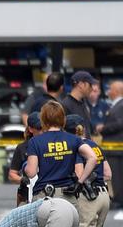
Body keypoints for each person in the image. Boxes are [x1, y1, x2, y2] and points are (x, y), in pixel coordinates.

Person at [65, 114, 111, 227]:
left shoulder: (76, 146)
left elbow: (78, 173)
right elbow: (107, 173)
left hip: (87, 197)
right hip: (103, 196)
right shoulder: (95, 146)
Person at [25, 101, 97, 203]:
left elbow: (31, 173)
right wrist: (80, 182)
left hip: (45, 195)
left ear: (43, 119)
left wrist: (26, 168)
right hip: (68, 194)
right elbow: (93, 158)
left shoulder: (35, 141)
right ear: (63, 119)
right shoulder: (74, 139)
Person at [7, 112, 41, 227]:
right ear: (30, 129)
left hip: (43, 197)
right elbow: (12, 173)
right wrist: (25, 180)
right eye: (39, 128)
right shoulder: (23, 148)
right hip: (25, 198)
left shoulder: (46, 145)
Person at [100, 80, 123, 208]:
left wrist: (103, 128)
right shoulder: (116, 105)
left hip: (116, 148)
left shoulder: (120, 105)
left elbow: (119, 124)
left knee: (117, 176)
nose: (108, 91)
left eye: (111, 89)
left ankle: (119, 199)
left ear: (117, 91)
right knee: (116, 175)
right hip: (113, 148)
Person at [61, 70, 97, 138]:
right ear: (81, 85)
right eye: (90, 85)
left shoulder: (84, 102)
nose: (92, 88)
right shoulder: (65, 105)